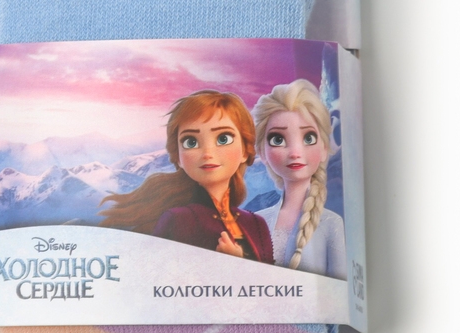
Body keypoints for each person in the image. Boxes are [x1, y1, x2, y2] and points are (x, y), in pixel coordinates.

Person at [100, 90, 273, 263]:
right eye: (191, 142)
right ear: (178, 158)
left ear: (245, 151)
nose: (207, 153)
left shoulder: (257, 224)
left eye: (223, 139)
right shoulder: (179, 220)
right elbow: (161, 276)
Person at [252, 80, 346, 279]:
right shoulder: (256, 221)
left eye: (308, 138)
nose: (295, 152)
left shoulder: (331, 224)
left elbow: (338, 290)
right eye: (278, 139)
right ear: (262, 152)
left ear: (324, 148)